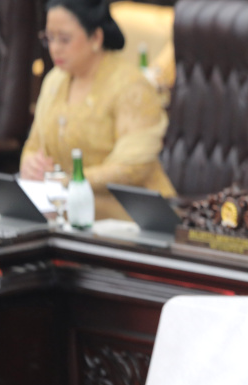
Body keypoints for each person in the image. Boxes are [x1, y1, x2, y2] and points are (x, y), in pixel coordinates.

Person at [20, 0, 175, 221]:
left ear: (96, 38)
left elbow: (131, 168)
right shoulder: (55, 81)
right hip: (67, 213)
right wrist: (30, 165)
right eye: (49, 38)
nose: (54, 48)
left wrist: (67, 181)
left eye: (64, 39)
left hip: (134, 218)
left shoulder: (131, 85)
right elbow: (34, 146)